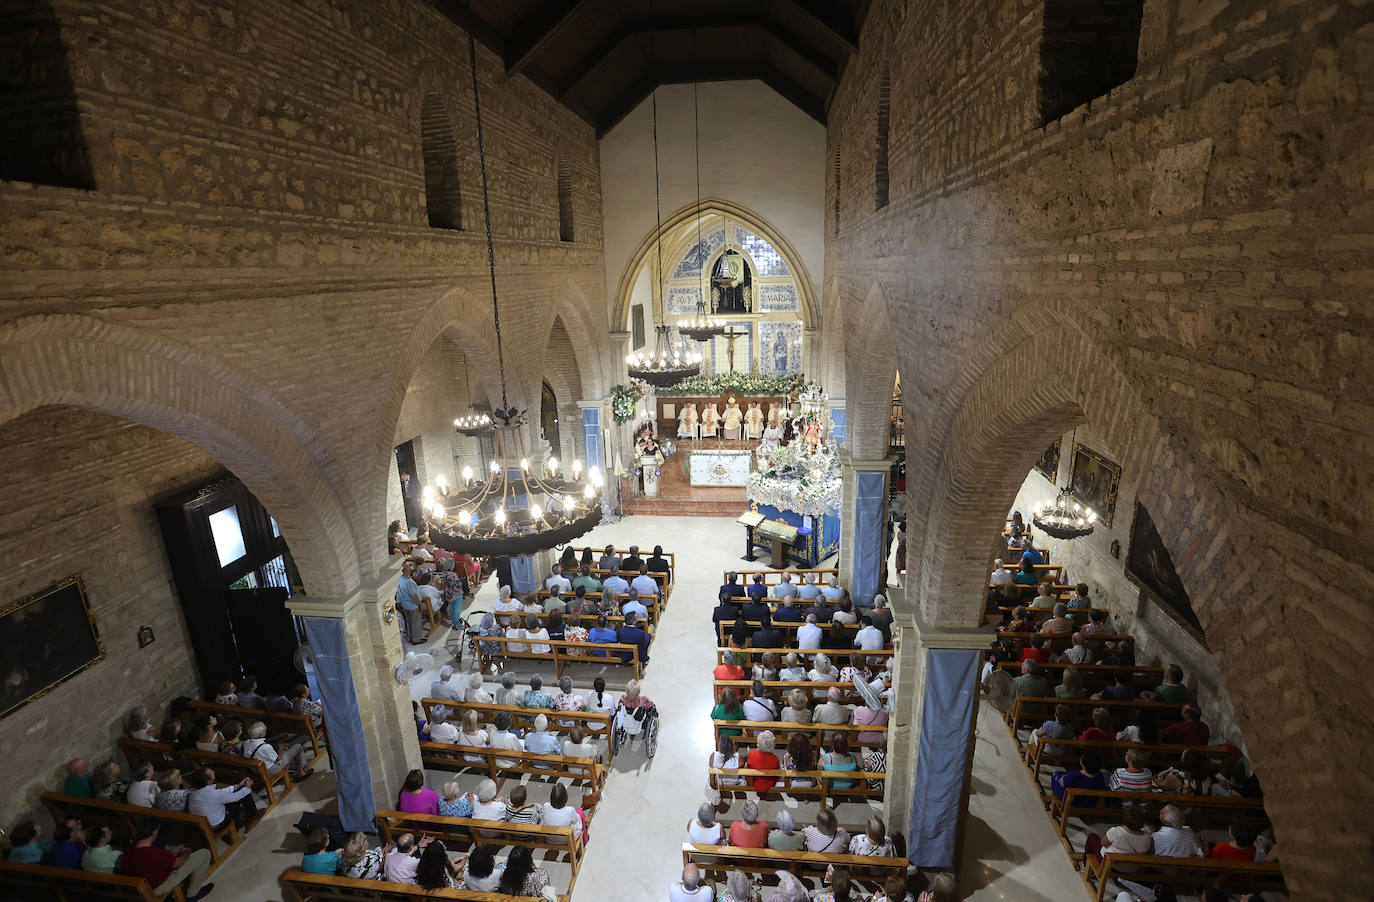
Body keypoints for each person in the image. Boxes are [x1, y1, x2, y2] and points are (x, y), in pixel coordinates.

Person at [120, 818, 215, 900]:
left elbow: (153, 861)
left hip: (138, 889)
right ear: (153, 832)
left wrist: (170, 854)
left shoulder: (130, 849)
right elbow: (179, 862)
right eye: (157, 829)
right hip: (155, 889)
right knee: (204, 853)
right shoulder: (154, 853)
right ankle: (192, 895)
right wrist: (187, 852)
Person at [187, 768, 255, 832]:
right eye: (212, 773)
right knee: (243, 793)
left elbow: (221, 793)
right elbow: (235, 797)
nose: (214, 771)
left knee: (241, 790)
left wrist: (237, 786)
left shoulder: (193, 793)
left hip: (205, 826)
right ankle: (253, 817)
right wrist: (247, 787)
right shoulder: (213, 793)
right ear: (208, 781)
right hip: (219, 826)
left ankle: (241, 819)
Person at [241, 721, 312, 780]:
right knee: (298, 746)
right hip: (270, 770)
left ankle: (297, 767)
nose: (266, 728)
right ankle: (301, 773)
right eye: (265, 729)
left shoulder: (245, 743)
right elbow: (278, 759)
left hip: (254, 769)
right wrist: (280, 748)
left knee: (284, 748)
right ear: (261, 735)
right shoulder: (265, 747)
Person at [395, 565, 424, 641]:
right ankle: (416, 639)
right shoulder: (409, 582)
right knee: (415, 623)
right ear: (406, 571)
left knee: (408, 622)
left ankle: (410, 637)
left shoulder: (399, 579)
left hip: (404, 604)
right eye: (409, 570)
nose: (410, 571)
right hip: (412, 605)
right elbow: (414, 596)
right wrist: (420, 604)